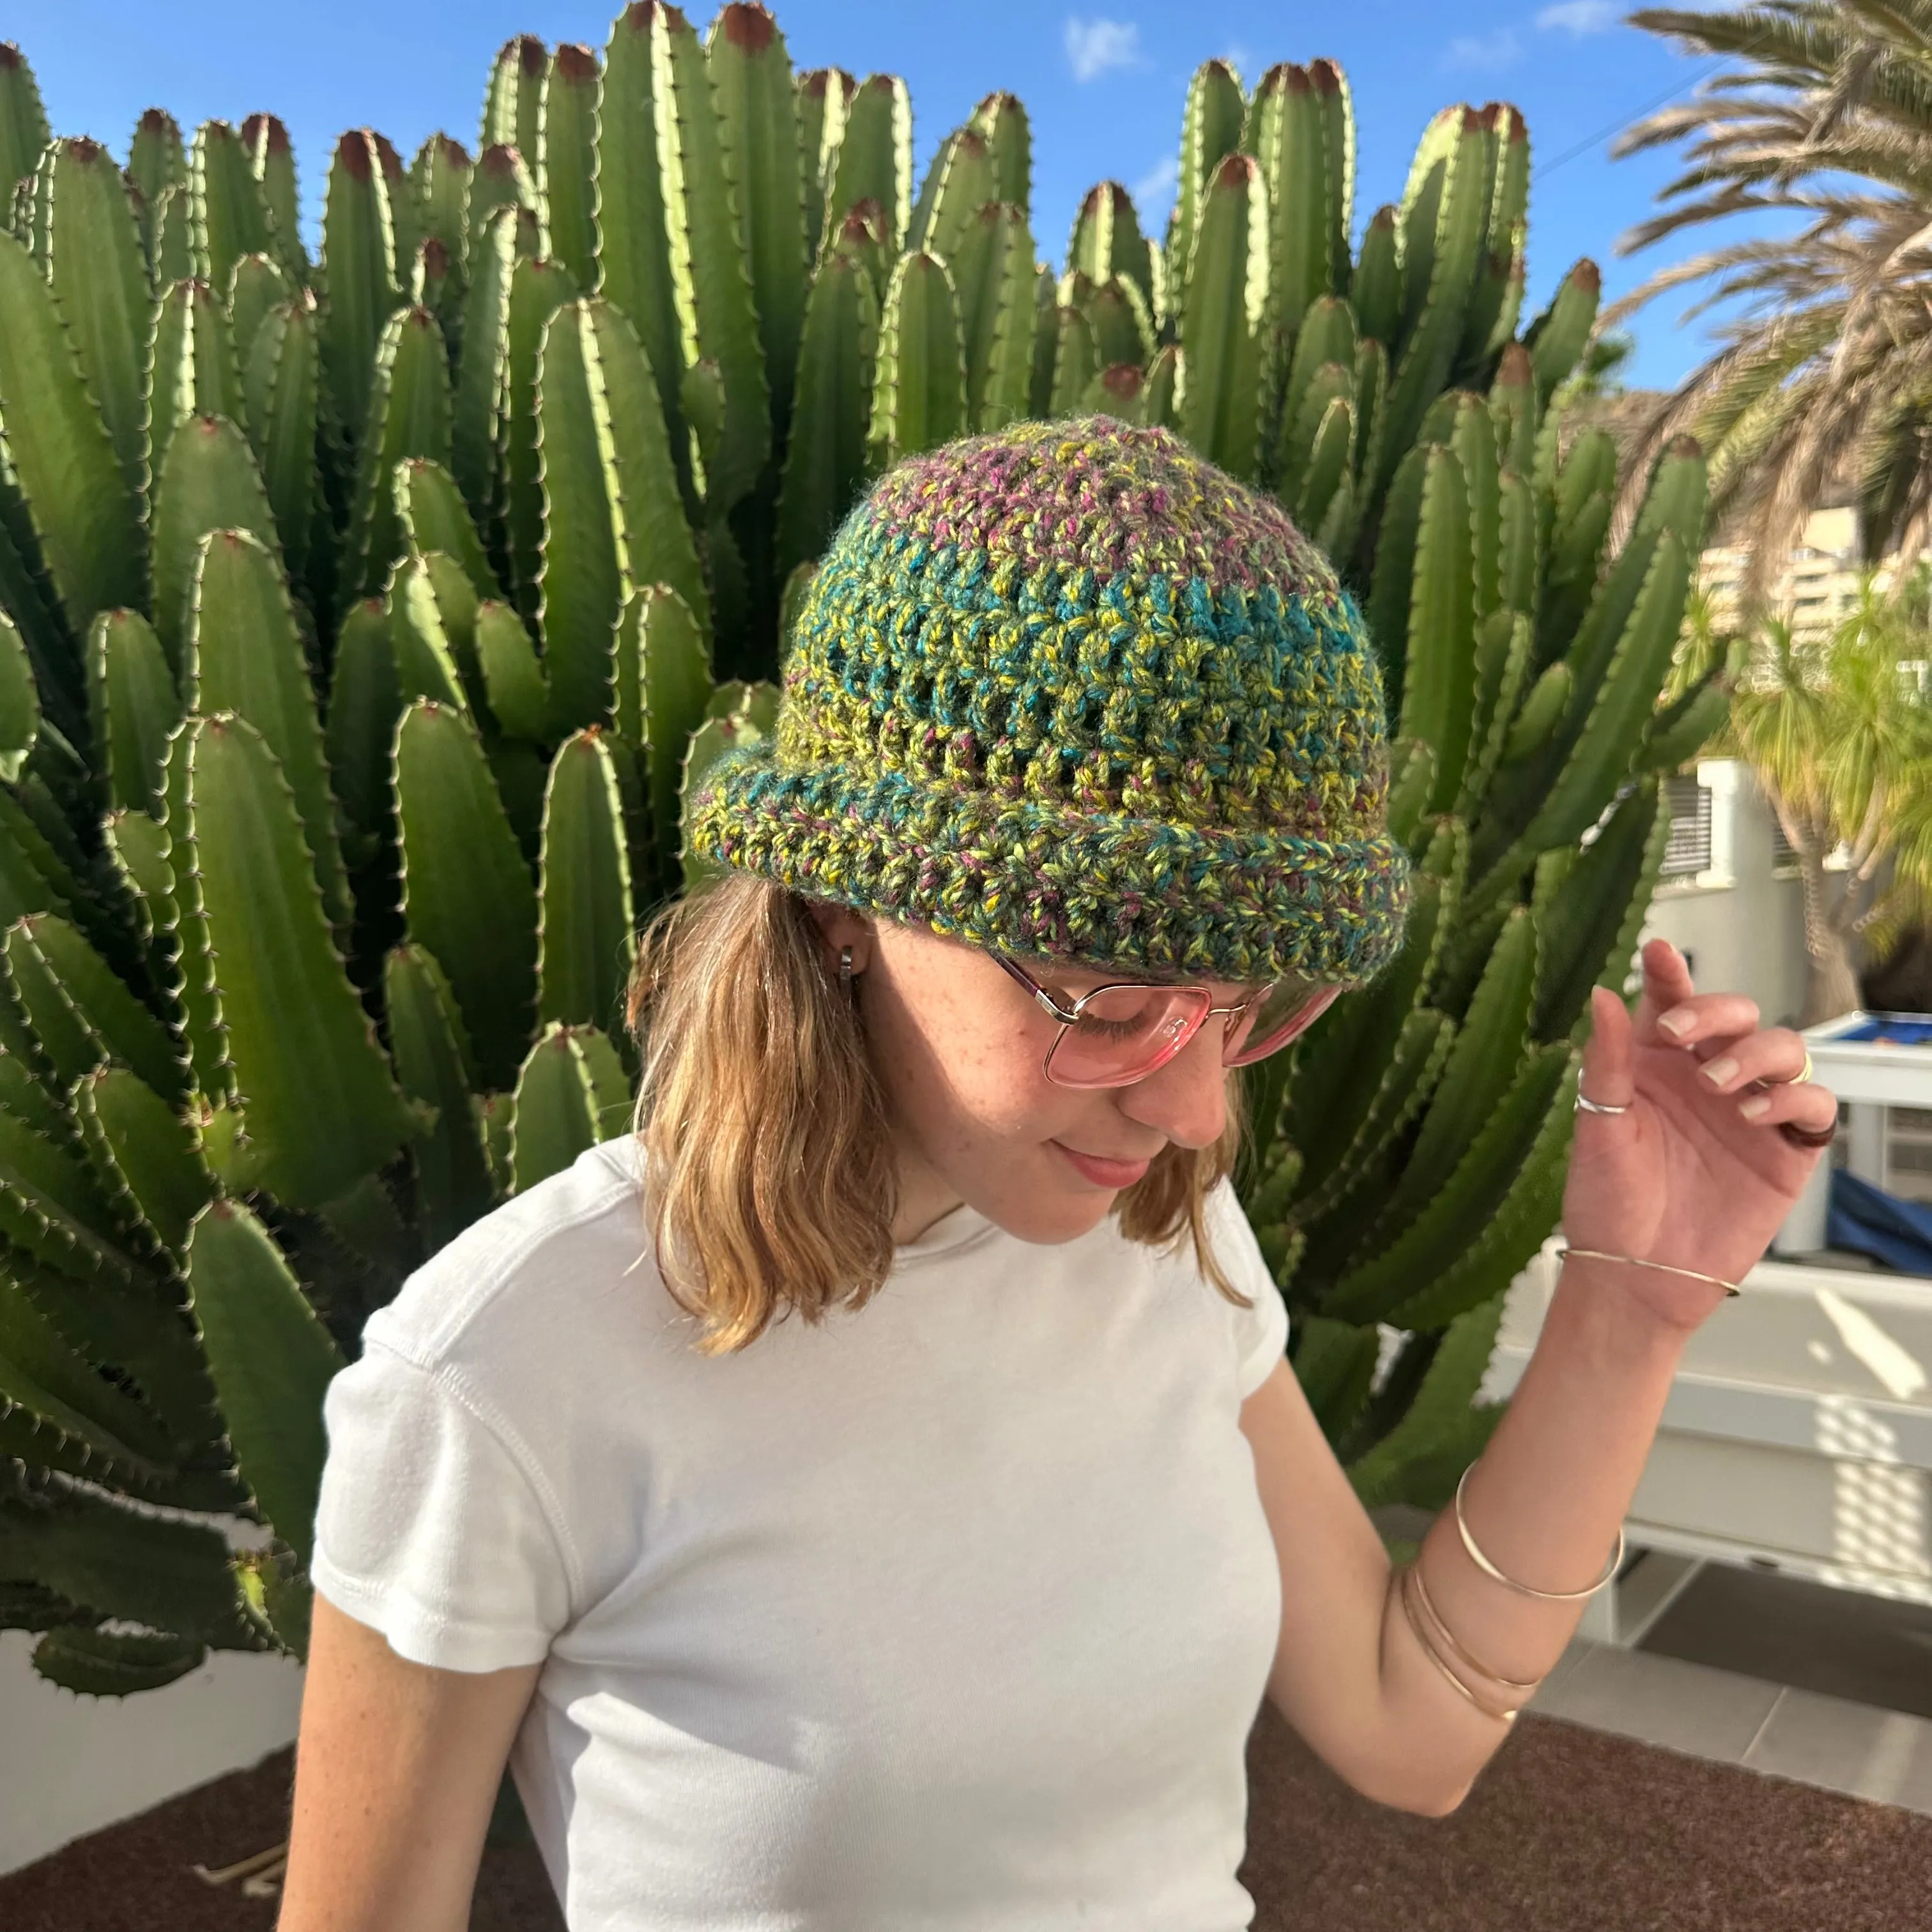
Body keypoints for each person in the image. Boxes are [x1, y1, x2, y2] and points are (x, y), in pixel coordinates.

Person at [278, 417, 1838, 1932]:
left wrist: (1628, 1314)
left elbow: (1407, 1725)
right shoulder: (505, 1369)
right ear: (839, 901)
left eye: (1250, 1001)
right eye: (1105, 979)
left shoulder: (1170, 1247)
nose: (1199, 1108)